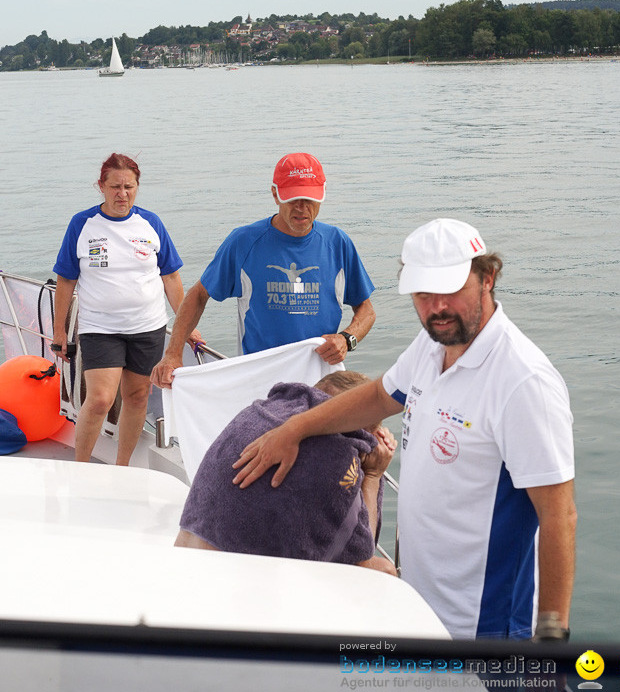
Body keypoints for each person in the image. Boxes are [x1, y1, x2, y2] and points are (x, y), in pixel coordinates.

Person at [230, 219, 577, 641]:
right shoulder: (433, 345)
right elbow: (379, 396)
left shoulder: (523, 381)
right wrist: (295, 428)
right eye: (422, 294)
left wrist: (552, 639)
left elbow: (559, 516)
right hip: (419, 607)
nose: (436, 308)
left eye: (449, 290)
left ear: (487, 278)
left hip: (484, 625)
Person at [150, 153, 375, 389]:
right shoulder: (244, 242)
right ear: (275, 194)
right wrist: (173, 354)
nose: (302, 208)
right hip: (259, 379)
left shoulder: (338, 243)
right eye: (293, 199)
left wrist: (347, 339)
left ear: (322, 195)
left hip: (321, 379)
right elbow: (198, 295)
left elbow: (366, 309)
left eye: (309, 199)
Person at [52, 153, 201, 465]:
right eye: (115, 186)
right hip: (100, 327)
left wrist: (185, 325)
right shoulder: (83, 224)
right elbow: (65, 280)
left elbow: (171, 277)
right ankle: (81, 468)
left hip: (147, 327)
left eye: (129, 187)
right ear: (101, 187)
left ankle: (122, 468)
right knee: (101, 399)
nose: (123, 194)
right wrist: (59, 331)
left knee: (136, 397)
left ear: (137, 187)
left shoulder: (151, 223)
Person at [175, 371, 397, 575]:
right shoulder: (336, 457)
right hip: (235, 590)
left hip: (184, 562)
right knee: (385, 570)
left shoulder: (257, 414)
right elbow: (362, 556)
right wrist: (373, 475)